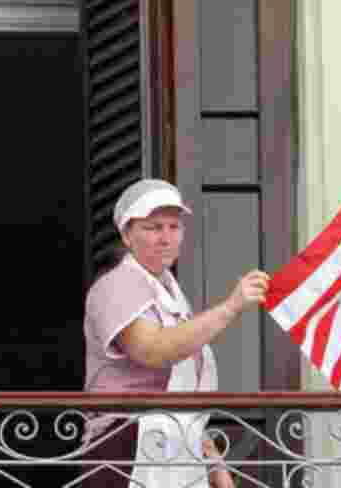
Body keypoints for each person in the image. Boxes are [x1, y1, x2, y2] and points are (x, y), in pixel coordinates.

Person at [82, 179, 269, 488]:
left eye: (174, 226)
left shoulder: (171, 294)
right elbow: (152, 350)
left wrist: (216, 467)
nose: (166, 238)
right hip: (126, 446)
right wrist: (230, 307)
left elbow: (182, 396)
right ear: (127, 235)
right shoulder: (117, 285)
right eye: (153, 227)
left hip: (175, 448)